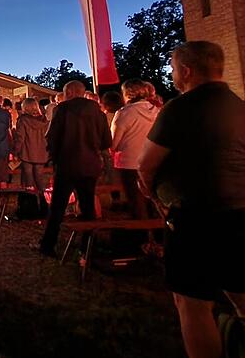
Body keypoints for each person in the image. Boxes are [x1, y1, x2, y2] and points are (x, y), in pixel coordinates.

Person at [138, 41, 245, 358]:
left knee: (192, 301)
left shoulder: (180, 109)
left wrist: (155, 196)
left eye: (172, 68)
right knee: (241, 293)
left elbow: (147, 164)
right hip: (241, 212)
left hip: (195, 216)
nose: (171, 74)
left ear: (186, 70)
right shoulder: (239, 106)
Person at [38, 80, 111, 257]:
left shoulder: (62, 110)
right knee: (87, 207)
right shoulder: (98, 112)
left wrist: (53, 158)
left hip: (67, 164)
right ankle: (87, 246)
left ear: (69, 92)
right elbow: (107, 141)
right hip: (90, 164)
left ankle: (48, 245)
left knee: (58, 207)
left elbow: (52, 138)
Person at [110, 79, 159, 219]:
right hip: (153, 162)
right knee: (153, 202)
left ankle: (141, 236)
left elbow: (114, 144)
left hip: (129, 164)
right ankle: (157, 235)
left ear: (127, 93)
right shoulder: (157, 111)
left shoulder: (124, 113)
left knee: (136, 202)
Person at [13, 98, 49, 200]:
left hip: (27, 153)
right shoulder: (45, 121)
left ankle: (30, 204)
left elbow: (20, 138)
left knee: (28, 180)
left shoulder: (23, 120)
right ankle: (44, 203)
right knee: (39, 178)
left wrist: (15, 151)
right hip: (41, 153)